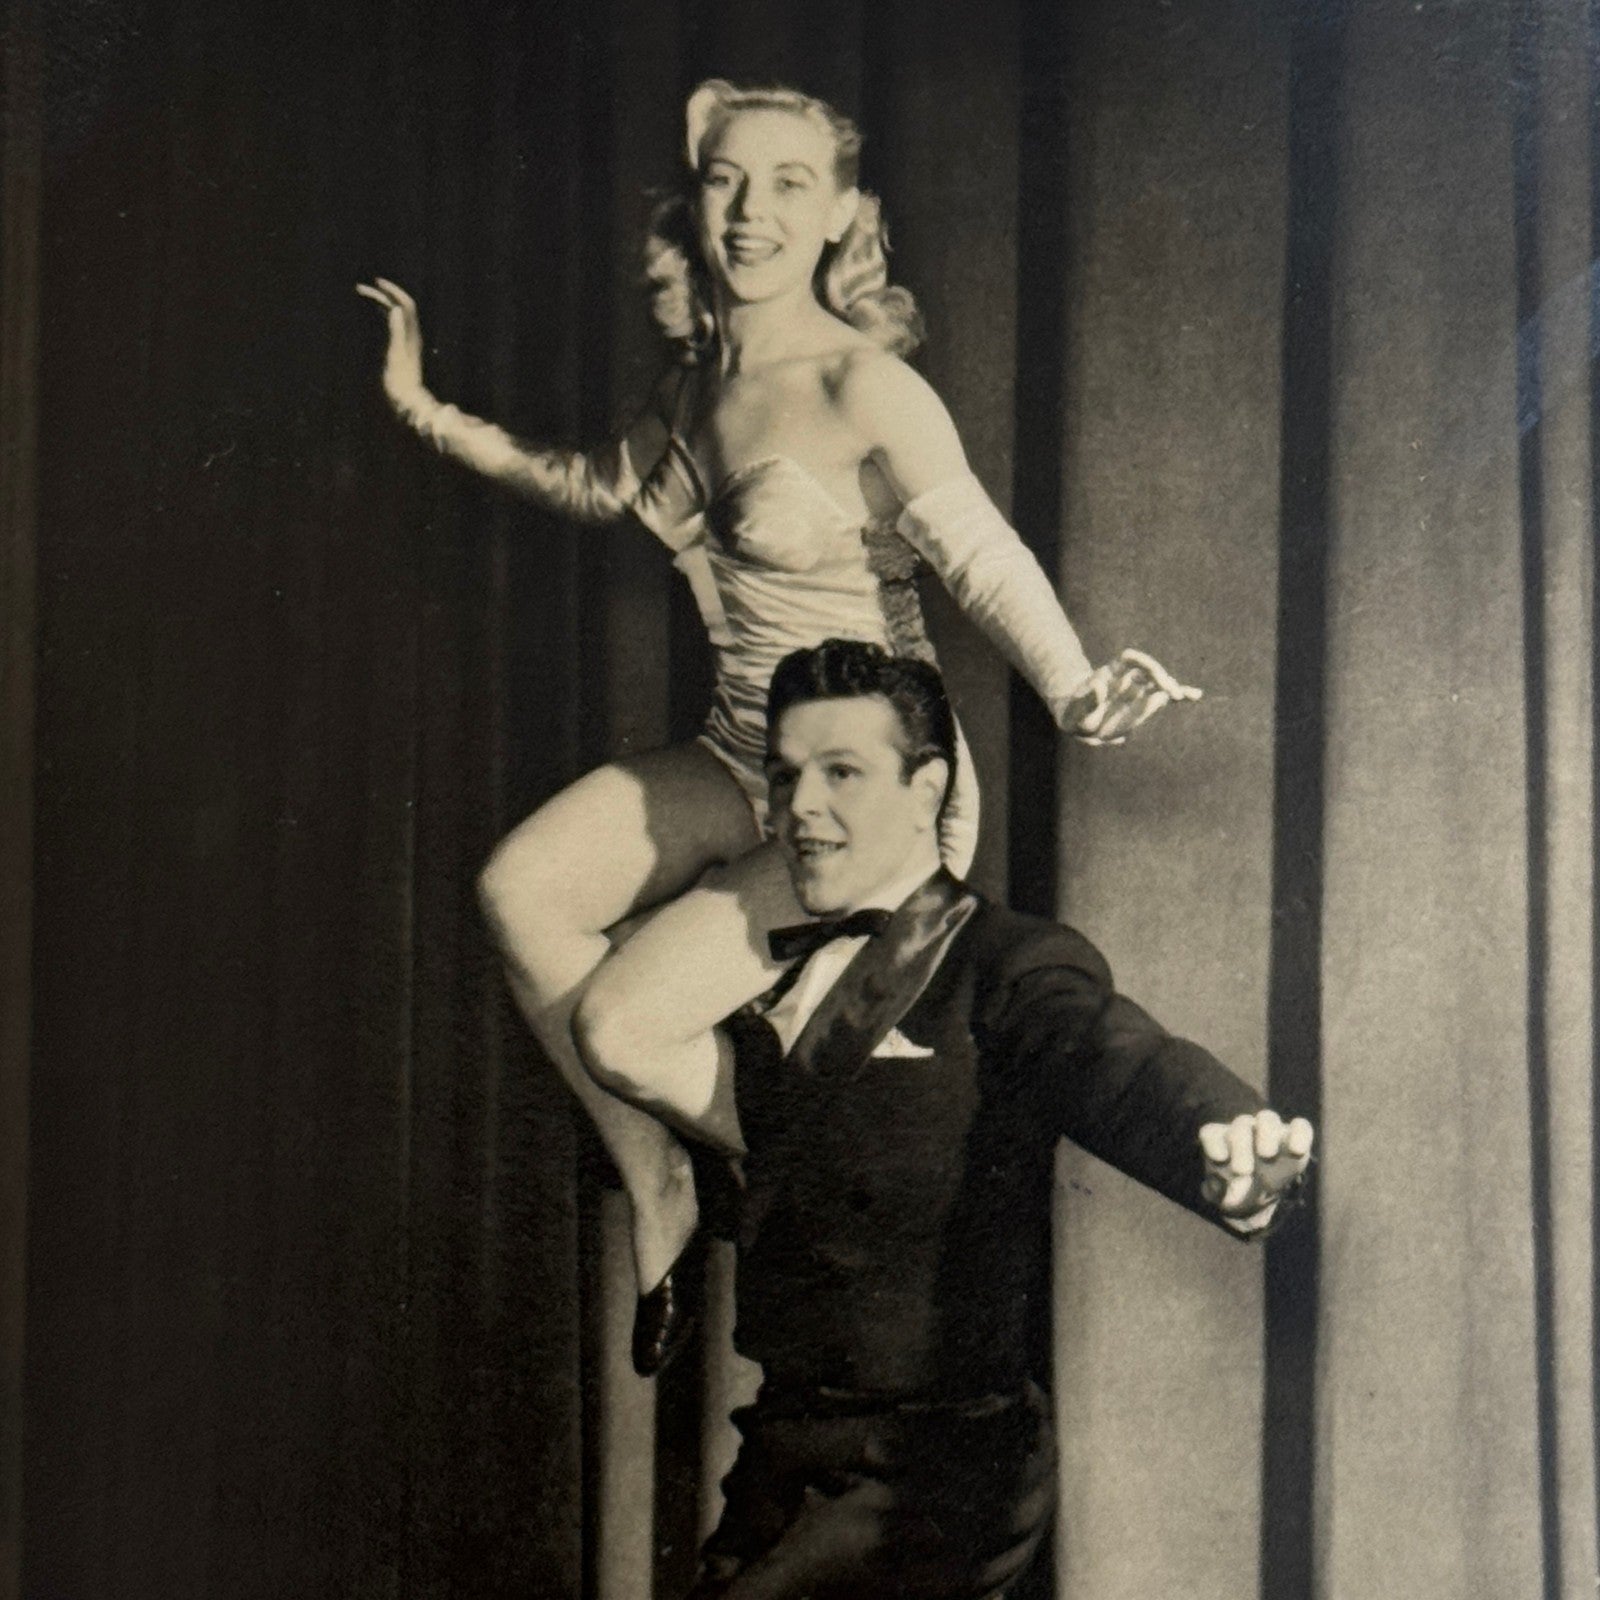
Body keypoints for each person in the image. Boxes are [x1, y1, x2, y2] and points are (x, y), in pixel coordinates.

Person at [357, 80, 1202, 1374]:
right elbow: (589, 482)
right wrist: (427, 413)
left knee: (624, 1026)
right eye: (726, 182)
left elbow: (979, 558)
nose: (751, 212)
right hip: (738, 751)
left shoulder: (870, 387)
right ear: (697, 204)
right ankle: (665, 1188)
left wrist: (1078, 689)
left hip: (870, 782)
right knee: (519, 890)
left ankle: (839, 1176)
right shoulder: (696, 384)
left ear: (840, 216)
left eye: (788, 184)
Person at [609, 638, 1313, 1598]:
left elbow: (1113, 1059)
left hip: (934, 1473)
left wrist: (1219, 1133)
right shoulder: (763, 980)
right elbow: (620, 1040)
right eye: (785, 776)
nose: (799, 807)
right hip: (787, 1448)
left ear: (927, 786)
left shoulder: (1008, 963)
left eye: (842, 773)